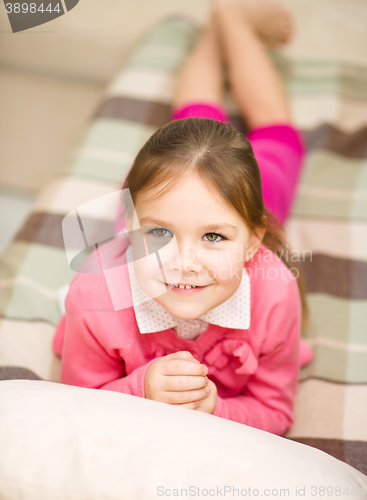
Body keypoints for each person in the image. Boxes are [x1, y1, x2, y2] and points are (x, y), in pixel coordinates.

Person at [52, 0, 314, 436]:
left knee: (277, 133)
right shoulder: (95, 295)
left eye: (214, 236)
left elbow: (276, 413)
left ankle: (229, 15)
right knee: (193, 122)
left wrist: (217, 409)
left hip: (255, 184)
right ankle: (226, 20)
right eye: (159, 233)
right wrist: (141, 389)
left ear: (253, 241)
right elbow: (78, 397)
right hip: (174, 198)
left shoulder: (274, 293)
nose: (183, 261)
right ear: (132, 225)